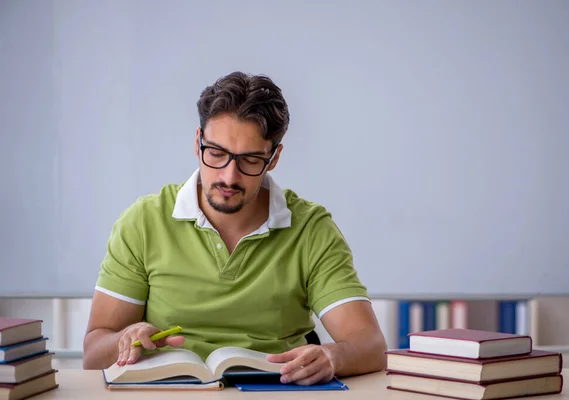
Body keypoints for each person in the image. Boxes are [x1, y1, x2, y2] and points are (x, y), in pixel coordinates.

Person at [83, 71, 387, 385]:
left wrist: (332, 357)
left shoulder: (310, 229)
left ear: (274, 157)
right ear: (197, 142)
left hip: (276, 391)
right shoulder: (143, 222)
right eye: (216, 154)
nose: (229, 177)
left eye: (250, 160)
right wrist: (124, 340)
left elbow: (370, 345)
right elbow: (93, 354)